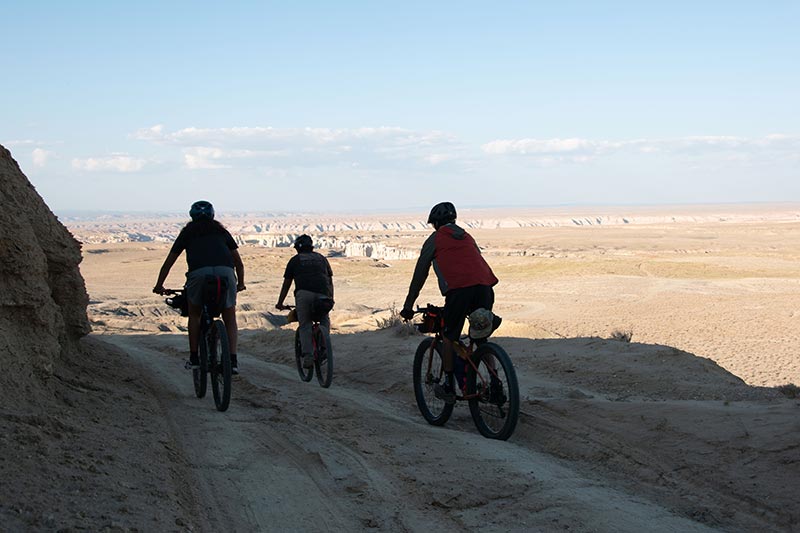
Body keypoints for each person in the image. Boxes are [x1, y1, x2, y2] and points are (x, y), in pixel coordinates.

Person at [400, 202, 500, 404]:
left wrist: (408, 305)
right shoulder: (467, 236)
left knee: (449, 337)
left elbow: (420, 273)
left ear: (436, 223)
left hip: (459, 291)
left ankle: (447, 384)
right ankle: (495, 383)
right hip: (485, 289)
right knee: (481, 338)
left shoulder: (435, 239)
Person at [153, 200, 246, 374]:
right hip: (226, 273)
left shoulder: (187, 233)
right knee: (230, 317)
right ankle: (232, 361)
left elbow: (168, 264)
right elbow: (239, 264)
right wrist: (240, 284)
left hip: (198, 274)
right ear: (212, 215)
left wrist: (159, 285)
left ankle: (194, 358)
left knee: (195, 315)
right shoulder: (222, 232)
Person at [276, 234, 334, 368]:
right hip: (323, 294)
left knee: (305, 324)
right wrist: (330, 298)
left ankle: (308, 356)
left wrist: (280, 303)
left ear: (297, 248)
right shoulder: (322, 259)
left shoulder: (295, 260)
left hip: (304, 294)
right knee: (324, 319)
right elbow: (330, 281)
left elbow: (287, 283)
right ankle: (324, 347)